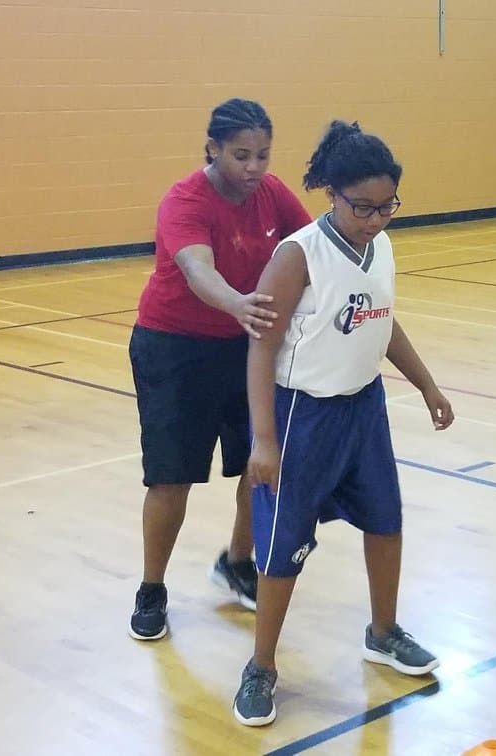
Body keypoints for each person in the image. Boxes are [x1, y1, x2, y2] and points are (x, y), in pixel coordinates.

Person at [232, 120, 455, 726]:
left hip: (365, 408)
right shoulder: (297, 255)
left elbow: (381, 322)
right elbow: (260, 349)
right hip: (302, 415)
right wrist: (262, 438)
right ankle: (261, 667)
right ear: (331, 192)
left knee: (386, 522)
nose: (377, 219)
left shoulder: (380, 244)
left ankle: (383, 632)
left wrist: (428, 384)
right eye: (364, 207)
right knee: (282, 551)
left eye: (388, 207)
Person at [128, 99, 313, 641]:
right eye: (241, 155)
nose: (254, 168)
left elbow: (312, 246)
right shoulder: (184, 200)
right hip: (174, 348)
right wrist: (237, 302)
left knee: (260, 462)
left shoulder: (272, 193)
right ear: (212, 149)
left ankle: (237, 562)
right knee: (171, 478)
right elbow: (195, 267)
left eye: (263, 155)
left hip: (245, 345)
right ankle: (151, 588)